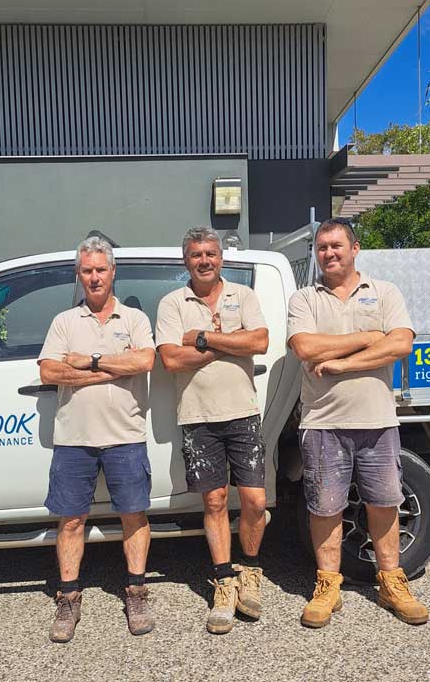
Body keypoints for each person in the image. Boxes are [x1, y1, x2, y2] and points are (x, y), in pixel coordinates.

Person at [287, 217, 429, 627]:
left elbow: (400, 343)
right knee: (325, 506)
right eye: (321, 247)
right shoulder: (305, 299)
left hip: (377, 419)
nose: (328, 253)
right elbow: (304, 346)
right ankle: (328, 585)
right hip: (322, 421)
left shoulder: (385, 292)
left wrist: (339, 364)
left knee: (384, 503)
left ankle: (391, 583)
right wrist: (368, 338)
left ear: (355, 248)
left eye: (336, 246)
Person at [37, 236, 157, 642]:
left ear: (112, 272)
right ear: (79, 274)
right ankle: (69, 597)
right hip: (74, 439)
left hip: (125, 435)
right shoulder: (64, 322)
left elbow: (144, 361)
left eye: (100, 269)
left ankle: (137, 590)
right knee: (71, 520)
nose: (94, 277)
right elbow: (50, 372)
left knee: (134, 515)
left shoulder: (135, 320)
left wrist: (88, 362)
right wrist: (112, 370)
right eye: (87, 270)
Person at [155, 226, 269, 634]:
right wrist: (228, 342)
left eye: (211, 253)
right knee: (216, 501)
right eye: (196, 254)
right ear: (185, 260)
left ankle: (251, 572)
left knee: (255, 501)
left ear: (221, 257)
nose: (204, 260)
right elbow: (170, 359)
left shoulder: (245, 296)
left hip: (242, 412)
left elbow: (260, 341)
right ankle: (224, 581)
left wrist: (202, 339)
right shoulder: (172, 303)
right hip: (198, 416)